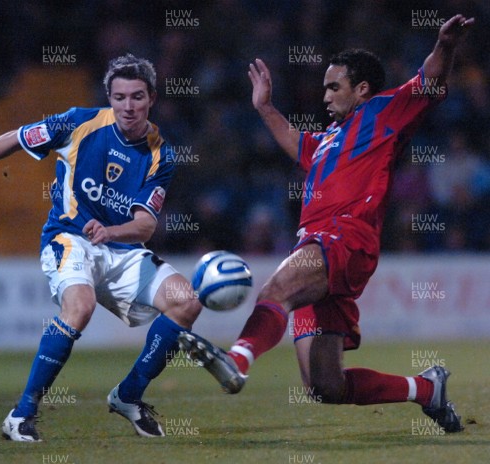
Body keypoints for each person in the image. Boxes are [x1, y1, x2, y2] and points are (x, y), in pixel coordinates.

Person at [178, 15, 474, 433]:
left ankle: (237, 358)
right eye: (324, 88)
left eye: (334, 87)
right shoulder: (328, 140)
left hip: (345, 237)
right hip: (320, 248)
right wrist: (264, 107)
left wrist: (446, 45)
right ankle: (426, 389)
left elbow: (428, 82)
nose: (326, 96)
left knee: (276, 290)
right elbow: (296, 142)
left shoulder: (383, 112)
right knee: (325, 386)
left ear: (362, 89)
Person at [0, 54, 241, 441]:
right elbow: (17, 138)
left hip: (119, 247)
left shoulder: (160, 153)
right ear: (109, 97)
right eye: (119, 97)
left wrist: (112, 231)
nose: (127, 107)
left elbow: (146, 224)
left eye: (136, 97)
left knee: (186, 301)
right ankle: (21, 415)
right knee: (79, 307)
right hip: (69, 238)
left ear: (151, 97)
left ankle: (128, 396)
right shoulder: (79, 121)